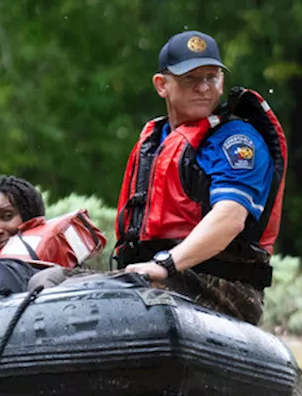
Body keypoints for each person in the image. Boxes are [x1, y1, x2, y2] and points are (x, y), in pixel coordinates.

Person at [113, 30, 287, 325]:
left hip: (223, 284)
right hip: (153, 275)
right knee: (50, 279)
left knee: (139, 293)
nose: (204, 88)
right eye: (191, 78)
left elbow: (229, 219)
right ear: (161, 85)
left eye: (212, 77)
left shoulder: (238, 141)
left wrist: (166, 264)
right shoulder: (155, 141)